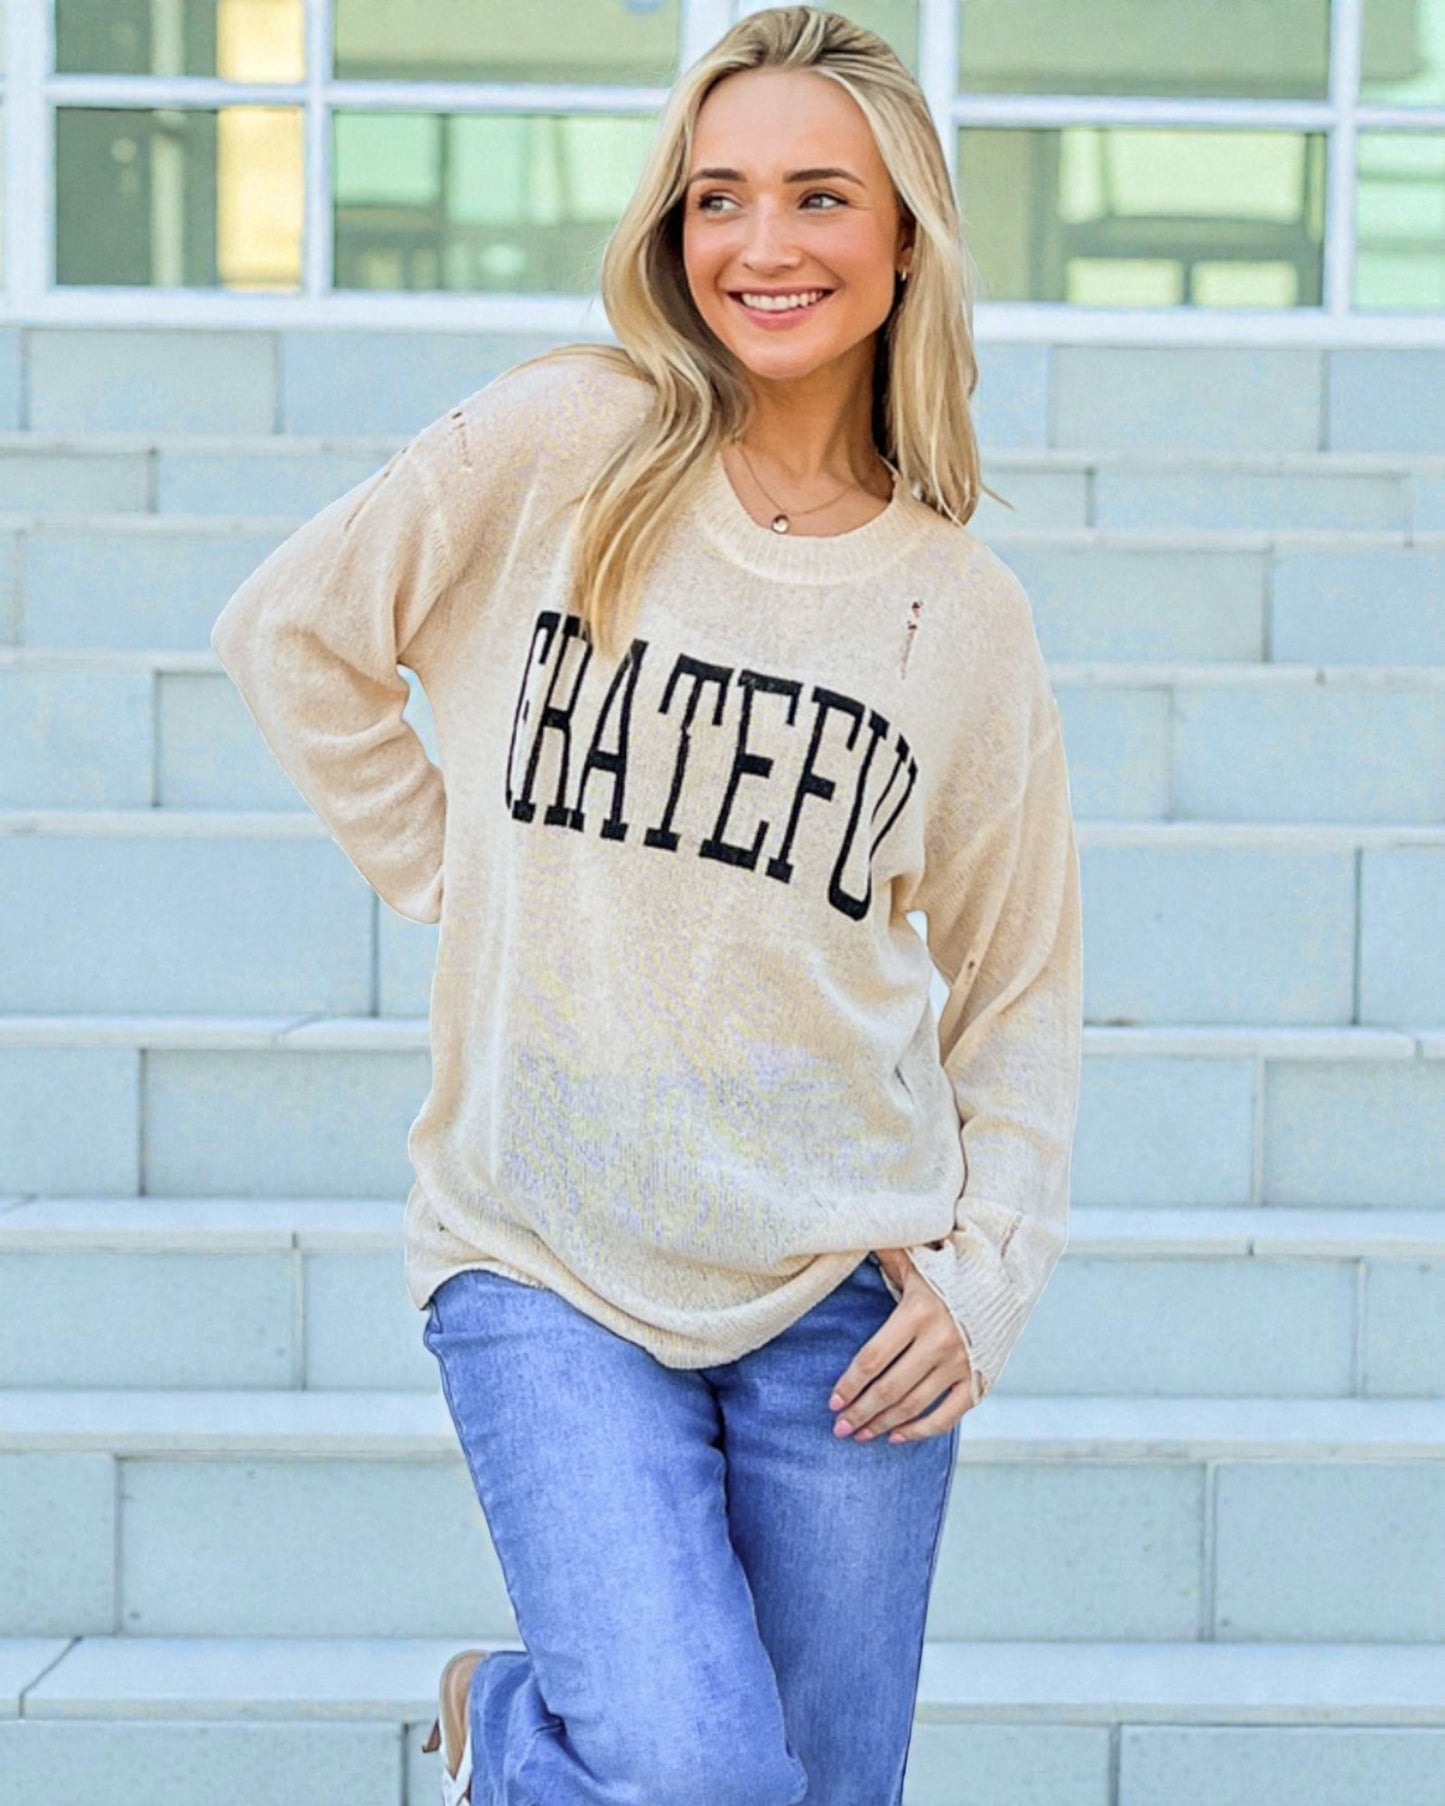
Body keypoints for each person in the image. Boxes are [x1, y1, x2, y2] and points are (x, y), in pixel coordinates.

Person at [209, 8, 1084, 1802]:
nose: (762, 247)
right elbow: (289, 636)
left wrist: (985, 1278)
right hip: (542, 1247)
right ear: (670, 232)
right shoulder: (564, 445)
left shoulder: (958, 614)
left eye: (818, 197)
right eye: (717, 199)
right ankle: (520, 1722)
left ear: (903, 233)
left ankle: (528, 1730)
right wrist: (460, 874)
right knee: (692, 1778)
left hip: (840, 1290)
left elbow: (1016, 990)